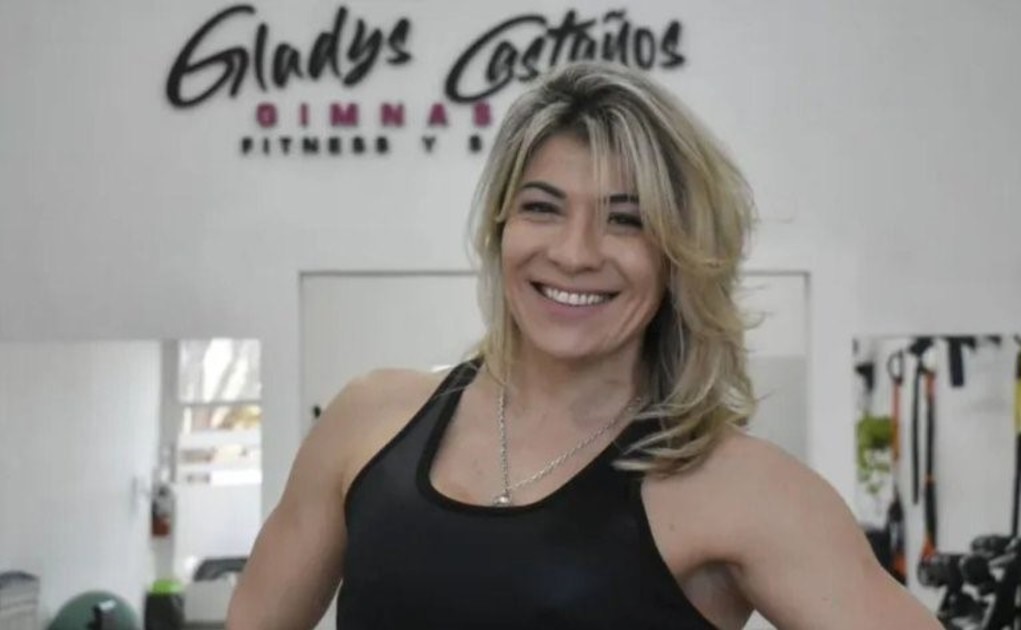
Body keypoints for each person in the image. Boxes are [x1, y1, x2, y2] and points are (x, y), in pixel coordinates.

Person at [228, 61, 939, 629]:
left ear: (679, 256)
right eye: (542, 208)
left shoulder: (744, 490)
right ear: (501, 228)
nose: (574, 253)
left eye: (626, 220)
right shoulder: (368, 421)